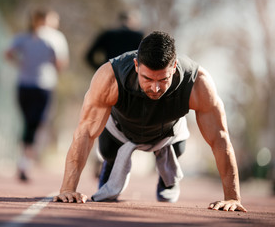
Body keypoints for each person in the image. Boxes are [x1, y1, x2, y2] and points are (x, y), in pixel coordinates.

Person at [53, 31, 247, 212]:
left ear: (174, 66)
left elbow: (219, 138)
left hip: (168, 133)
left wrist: (232, 197)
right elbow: (85, 131)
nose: (155, 88)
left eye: (163, 79)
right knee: (107, 150)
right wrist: (67, 189)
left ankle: (167, 178)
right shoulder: (110, 77)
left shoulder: (197, 83)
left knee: (180, 149)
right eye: (147, 78)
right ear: (137, 65)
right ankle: (111, 166)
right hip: (121, 130)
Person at [5, 8, 69, 181]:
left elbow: (7, 54)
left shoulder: (23, 37)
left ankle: (24, 160)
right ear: (45, 20)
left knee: (29, 123)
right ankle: (25, 161)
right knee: (36, 123)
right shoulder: (55, 38)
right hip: (43, 85)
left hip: (24, 84)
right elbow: (61, 62)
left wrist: (22, 64)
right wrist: (51, 68)